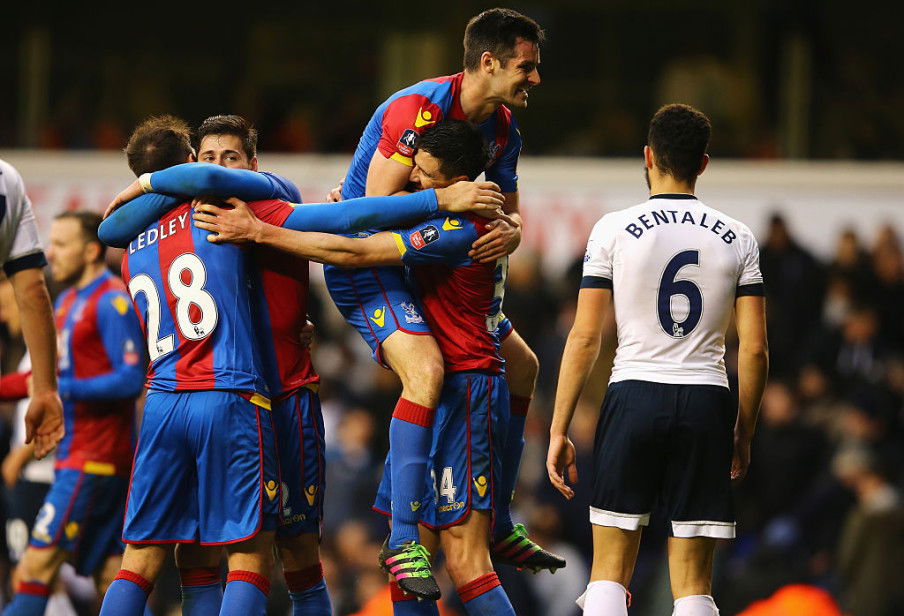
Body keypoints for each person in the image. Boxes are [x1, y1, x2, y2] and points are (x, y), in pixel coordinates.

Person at [97, 116, 507, 616]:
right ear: (191, 166)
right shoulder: (214, 215)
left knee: (291, 556)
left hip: (270, 396)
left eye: (231, 158)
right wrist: (437, 202)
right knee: (237, 555)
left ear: (252, 164)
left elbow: (110, 228)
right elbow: (345, 226)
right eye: (209, 159)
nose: (220, 168)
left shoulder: (234, 213)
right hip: (237, 398)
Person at [332, 7, 558, 588]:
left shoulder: (503, 129)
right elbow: (374, 215)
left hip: (427, 261)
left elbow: (508, 215)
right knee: (427, 370)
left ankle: (501, 516)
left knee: (525, 367)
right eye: (526, 66)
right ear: (489, 62)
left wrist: (513, 230)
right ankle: (404, 538)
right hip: (372, 262)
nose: (535, 77)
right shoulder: (419, 109)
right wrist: (447, 201)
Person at [546, 104, 769, 616]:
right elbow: (754, 348)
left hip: (634, 394)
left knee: (609, 571)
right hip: (706, 399)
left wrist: (559, 427)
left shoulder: (613, 230)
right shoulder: (739, 238)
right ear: (704, 164)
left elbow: (585, 336)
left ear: (648, 157)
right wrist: (744, 431)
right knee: (693, 583)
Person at [3, 211, 145, 616]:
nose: (52, 253)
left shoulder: (111, 300)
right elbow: (40, 380)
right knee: (110, 575)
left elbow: (130, 378)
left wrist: (62, 389)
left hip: (94, 461)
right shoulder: (65, 302)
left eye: (62, 244)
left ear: (91, 250)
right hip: (80, 460)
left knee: (34, 567)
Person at [0, 160, 63, 460]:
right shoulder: (8, 179)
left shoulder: (102, 302)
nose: (53, 253)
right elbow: (33, 290)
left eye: (63, 245)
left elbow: (124, 381)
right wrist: (44, 390)